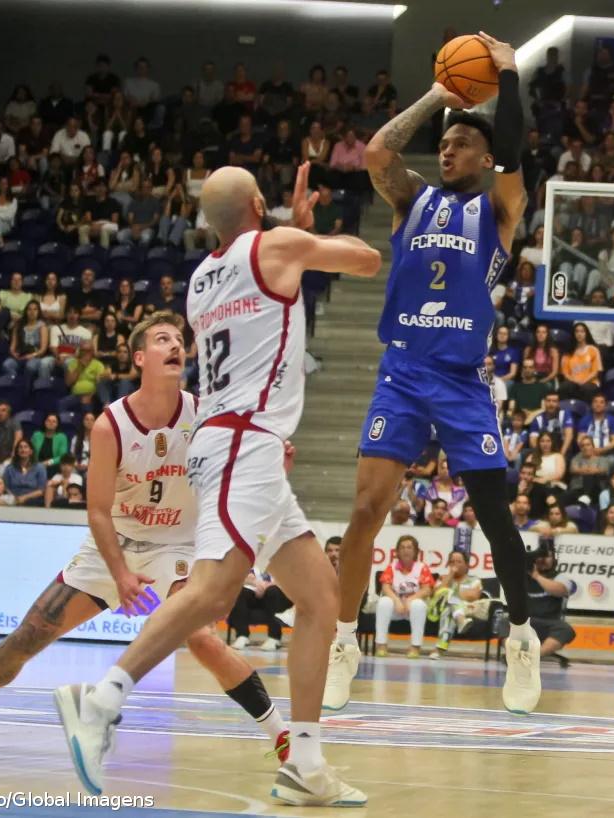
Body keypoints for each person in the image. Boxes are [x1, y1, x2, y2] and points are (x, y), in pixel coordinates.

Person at [53, 163, 380, 807]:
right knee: (210, 593)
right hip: (243, 442)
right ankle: (100, 700)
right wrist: (300, 234)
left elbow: (261, 276)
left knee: (320, 600)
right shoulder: (277, 245)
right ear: (261, 204)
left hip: (235, 441)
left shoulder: (203, 278)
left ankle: (305, 763)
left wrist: (292, 236)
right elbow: (368, 259)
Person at [0, 312, 291, 763]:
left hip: (178, 547)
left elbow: (238, 470)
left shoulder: (204, 414)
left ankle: (283, 737)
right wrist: (121, 574)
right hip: (117, 543)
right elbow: (97, 512)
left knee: (202, 638)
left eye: (180, 340)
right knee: (30, 634)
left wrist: (273, 464)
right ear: (140, 357)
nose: (175, 346)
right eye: (163, 338)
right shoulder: (111, 425)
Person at [326, 33, 542, 717]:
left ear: (483, 157)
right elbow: (378, 154)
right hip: (402, 372)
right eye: (445, 144)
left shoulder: (500, 208)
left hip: (458, 379)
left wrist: (506, 77)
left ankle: (521, 636)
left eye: (460, 144)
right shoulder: (410, 201)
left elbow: (512, 149)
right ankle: (341, 640)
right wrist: (437, 97)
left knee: (492, 516)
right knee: (364, 510)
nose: (447, 150)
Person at [373, 535, 434, 658]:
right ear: (398, 551)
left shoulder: (422, 567)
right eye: (402, 547)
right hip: (397, 607)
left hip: (413, 607)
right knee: (384, 602)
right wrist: (396, 601)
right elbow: (385, 587)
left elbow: (427, 589)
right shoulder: (392, 566)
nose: (406, 550)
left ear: (415, 551)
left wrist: (411, 599)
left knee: (419, 605)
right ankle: (381, 645)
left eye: (409, 547)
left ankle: (415, 647)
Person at [525, 541, 576, 662]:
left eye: (547, 557)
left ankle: (533, 657)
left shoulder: (560, 577)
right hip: (526, 622)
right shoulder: (522, 576)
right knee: (505, 622)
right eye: (540, 556)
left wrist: (536, 576)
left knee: (566, 630)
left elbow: (560, 590)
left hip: (550, 623)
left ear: (554, 559)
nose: (543, 560)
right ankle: (517, 654)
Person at [230, 569, 292, 651]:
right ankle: (242, 635)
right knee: (240, 592)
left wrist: (268, 585)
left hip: (279, 594)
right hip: (256, 591)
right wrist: (256, 583)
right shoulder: (253, 561)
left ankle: (274, 637)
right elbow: (240, 577)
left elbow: (291, 579)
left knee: (272, 591)